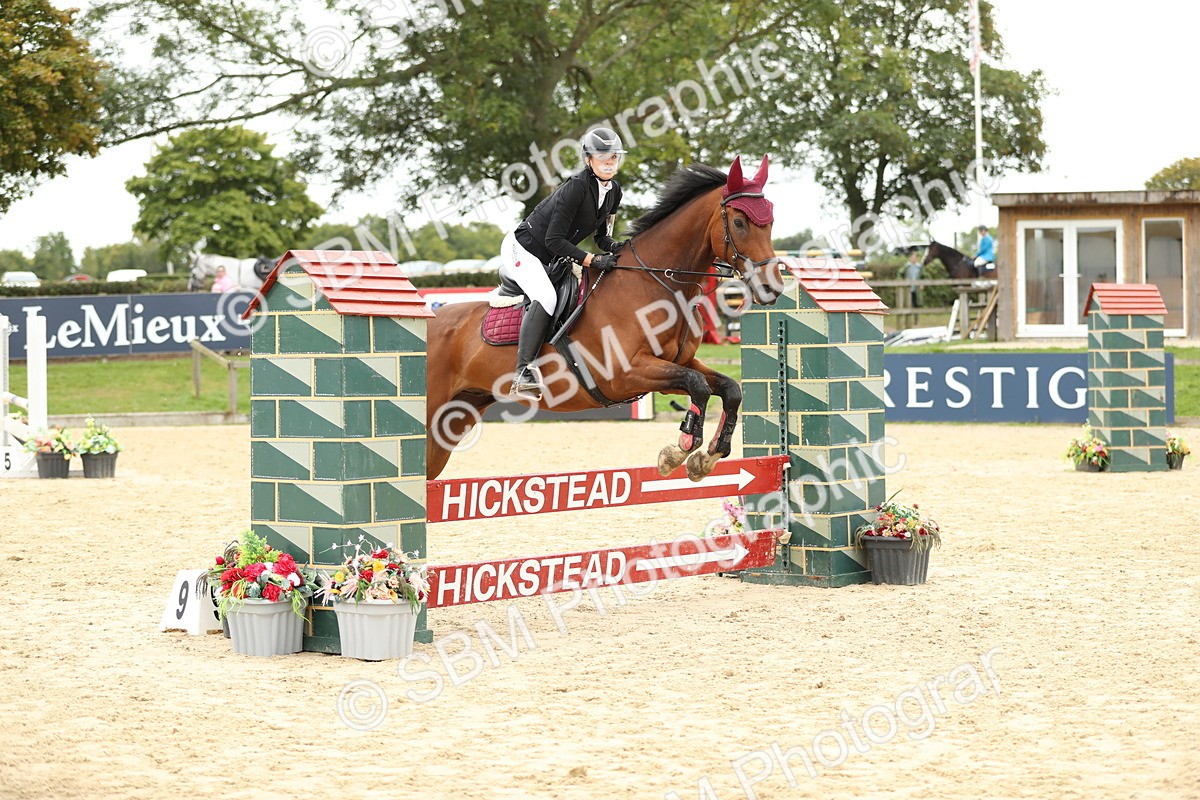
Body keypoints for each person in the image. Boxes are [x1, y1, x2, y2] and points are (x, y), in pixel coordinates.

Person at [501, 126, 628, 398]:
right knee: (546, 296)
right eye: (602, 155)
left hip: (553, 254)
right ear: (588, 159)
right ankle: (523, 372)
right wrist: (592, 260)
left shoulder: (614, 191)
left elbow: (603, 237)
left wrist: (619, 248)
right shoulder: (576, 188)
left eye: (613, 156)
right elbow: (553, 241)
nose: (609, 161)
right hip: (523, 249)